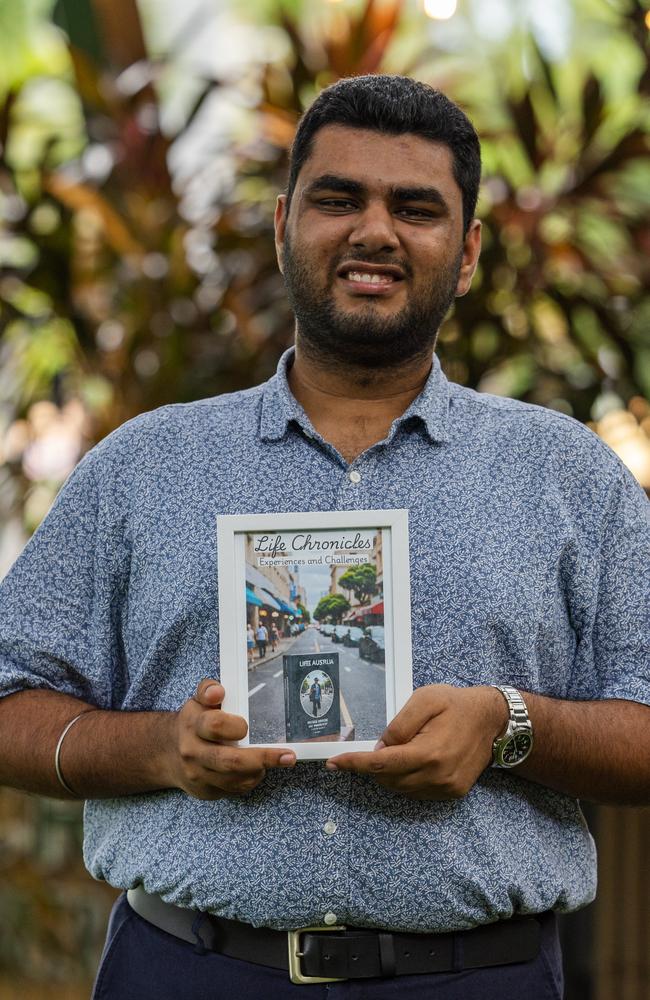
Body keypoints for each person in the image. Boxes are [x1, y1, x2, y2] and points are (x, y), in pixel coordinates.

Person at [0, 74, 648, 1000]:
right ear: (282, 226)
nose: (374, 231)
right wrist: (160, 750)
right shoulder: (142, 468)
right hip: (186, 970)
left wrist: (507, 726)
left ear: (465, 255)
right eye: (338, 198)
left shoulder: (568, 475)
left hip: (477, 979)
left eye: (415, 208)